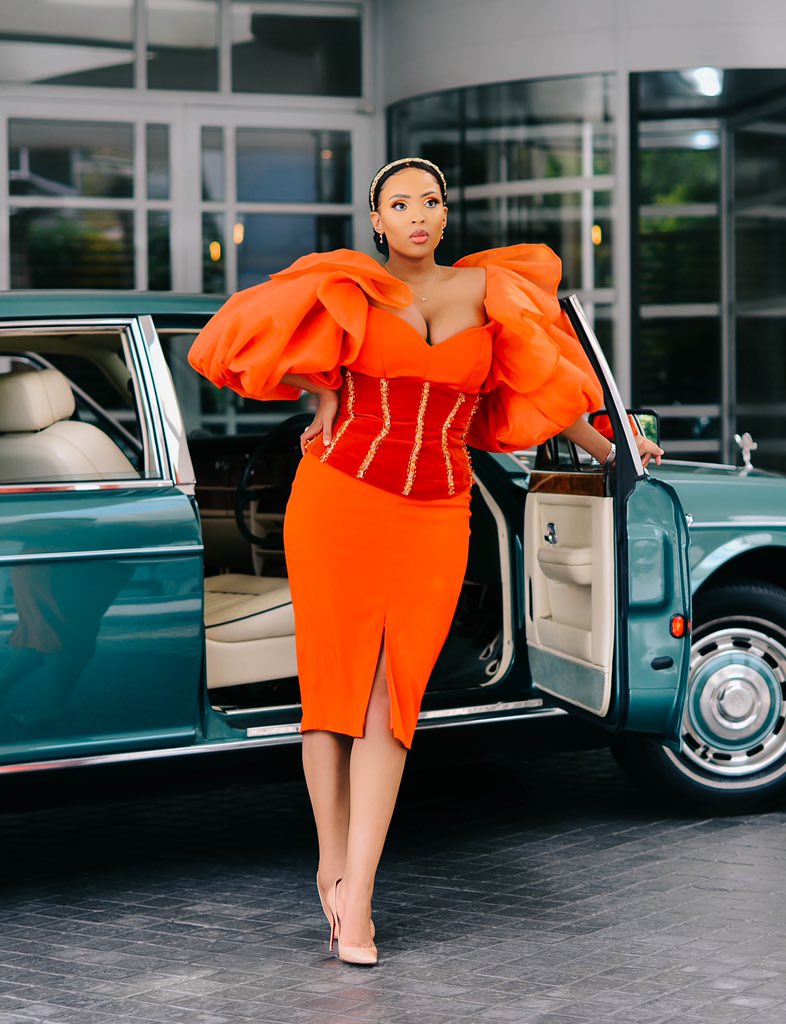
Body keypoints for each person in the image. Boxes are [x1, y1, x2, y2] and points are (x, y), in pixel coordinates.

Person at [188, 156, 663, 967]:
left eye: (431, 201)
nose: (418, 214)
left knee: (392, 696)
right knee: (332, 692)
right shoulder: (349, 286)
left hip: (439, 511)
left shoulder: (491, 291)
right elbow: (234, 342)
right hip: (337, 496)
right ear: (377, 220)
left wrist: (613, 442)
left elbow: (544, 385)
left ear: (446, 215)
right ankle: (334, 871)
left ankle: (359, 887)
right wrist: (326, 390)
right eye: (399, 203)